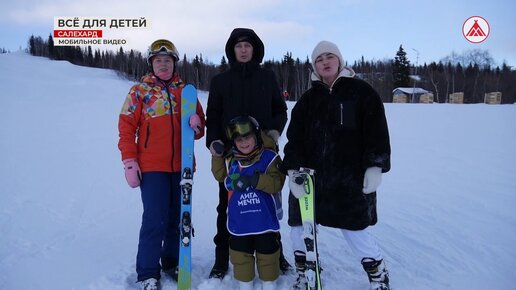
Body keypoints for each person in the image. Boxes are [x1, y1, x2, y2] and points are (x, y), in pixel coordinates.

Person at [281, 40, 392, 290]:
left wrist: (375, 165)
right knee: (299, 230)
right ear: (314, 67)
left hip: (348, 178)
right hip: (309, 180)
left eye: (329, 57)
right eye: (319, 60)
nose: (325, 62)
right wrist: (292, 169)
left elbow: (377, 132)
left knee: (356, 231)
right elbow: (294, 139)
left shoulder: (361, 92)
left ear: (339, 61)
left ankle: (378, 274)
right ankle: (306, 272)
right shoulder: (307, 100)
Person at [118, 39, 205, 290]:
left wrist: (198, 123)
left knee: (178, 219)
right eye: (159, 61)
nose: (163, 64)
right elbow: (126, 126)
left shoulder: (185, 92)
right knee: (154, 219)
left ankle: (172, 262)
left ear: (174, 63)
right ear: (151, 64)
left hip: (182, 166)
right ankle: (147, 273)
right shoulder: (139, 92)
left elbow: (198, 131)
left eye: (168, 60)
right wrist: (129, 160)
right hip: (152, 167)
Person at [205, 28, 290, 279]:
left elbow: (280, 110)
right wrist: (215, 143)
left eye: (247, 46)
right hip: (234, 156)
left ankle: (276, 253)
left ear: (255, 50)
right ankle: (222, 258)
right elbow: (213, 116)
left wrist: (274, 133)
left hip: (264, 154)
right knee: (228, 206)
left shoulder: (267, 77)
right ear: (232, 50)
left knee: (267, 204)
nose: (243, 50)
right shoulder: (220, 81)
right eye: (238, 46)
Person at [211, 115, 285, 290]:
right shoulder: (232, 160)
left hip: (264, 220)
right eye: (239, 139)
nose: (244, 143)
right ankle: (245, 284)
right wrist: (217, 156)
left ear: (257, 137)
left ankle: (269, 283)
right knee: (239, 252)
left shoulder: (269, 157)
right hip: (240, 221)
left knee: (268, 253)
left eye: (248, 138)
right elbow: (220, 176)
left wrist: (256, 181)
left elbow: (277, 182)